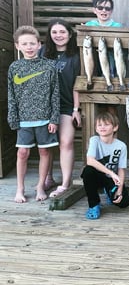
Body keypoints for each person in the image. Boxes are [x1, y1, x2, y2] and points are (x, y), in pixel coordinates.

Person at [7, 25, 60, 203]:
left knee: (44, 151)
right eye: (24, 44)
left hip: (45, 118)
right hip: (24, 119)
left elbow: (55, 94)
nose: (28, 47)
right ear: (17, 46)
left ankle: (40, 186)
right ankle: (20, 189)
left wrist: (54, 118)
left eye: (32, 43)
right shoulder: (15, 67)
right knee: (22, 153)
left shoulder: (49, 66)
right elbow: (11, 96)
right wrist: (13, 118)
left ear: (39, 45)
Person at [41, 19, 81, 198]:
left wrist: (76, 109)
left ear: (70, 34)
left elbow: (77, 84)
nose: (58, 35)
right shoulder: (43, 52)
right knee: (47, 145)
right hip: (45, 107)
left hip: (66, 105)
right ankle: (47, 178)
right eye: (54, 32)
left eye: (62, 32)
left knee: (66, 142)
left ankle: (65, 183)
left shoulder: (76, 54)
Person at [81, 111, 129, 220]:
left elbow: (121, 169)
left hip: (111, 180)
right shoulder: (94, 140)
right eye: (99, 125)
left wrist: (119, 189)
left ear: (115, 127)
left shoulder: (121, 146)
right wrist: (111, 173)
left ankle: (109, 191)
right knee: (88, 171)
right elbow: (90, 161)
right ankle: (94, 205)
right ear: (96, 129)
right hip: (97, 176)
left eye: (106, 124)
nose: (102, 127)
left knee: (124, 202)